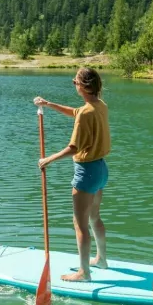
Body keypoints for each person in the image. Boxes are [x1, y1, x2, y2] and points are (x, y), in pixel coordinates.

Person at [34, 67, 110, 282]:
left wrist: (48, 160)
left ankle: (84, 272)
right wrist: (48, 105)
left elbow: (74, 147)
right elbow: (77, 112)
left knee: (80, 224)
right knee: (95, 217)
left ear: (83, 85)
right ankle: (101, 259)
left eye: (74, 82)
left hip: (86, 172)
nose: (74, 85)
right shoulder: (99, 106)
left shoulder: (87, 112)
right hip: (101, 170)